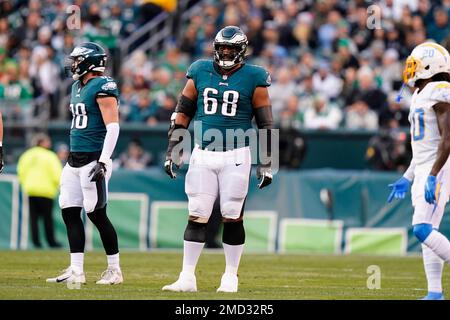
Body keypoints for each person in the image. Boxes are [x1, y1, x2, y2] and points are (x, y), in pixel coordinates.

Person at [162, 26, 274, 293]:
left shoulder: (254, 76)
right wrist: (173, 149)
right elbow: (183, 112)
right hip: (202, 152)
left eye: (230, 49)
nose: (225, 52)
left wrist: (268, 162)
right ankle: (187, 277)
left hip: (236, 155)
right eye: (222, 47)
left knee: (232, 216)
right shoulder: (199, 70)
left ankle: (230, 277)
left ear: (241, 50)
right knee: (196, 214)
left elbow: (266, 123)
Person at [46, 42, 123, 285]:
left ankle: (115, 270)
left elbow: (113, 126)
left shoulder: (103, 85)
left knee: (97, 214)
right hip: (74, 158)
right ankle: (76, 269)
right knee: (69, 210)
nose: (73, 65)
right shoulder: (77, 87)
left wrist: (104, 160)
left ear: (90, 62)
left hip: (93, 158)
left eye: (77, 60)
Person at [387, 42, 450, 300]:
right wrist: (407, 177)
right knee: (428, 231)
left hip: (439, 167)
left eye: (413, 64)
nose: (409, 69)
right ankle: (434, 292)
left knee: (421, 228)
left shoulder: (440, 89)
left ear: (428, 65)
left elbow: (448, 139)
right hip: (425, 167)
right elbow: (423, 149)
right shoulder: (419, 94)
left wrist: (434, 174)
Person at [17, 133, 62, 248]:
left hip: (31, 190)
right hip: (47, 191)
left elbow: (20, 171)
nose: (49, 143)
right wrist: (60, 186)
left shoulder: (27, 155)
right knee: (48, 218)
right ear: (42, 143)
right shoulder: (50, 156)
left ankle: (36, 242)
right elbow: (57, 174)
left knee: (34, 219)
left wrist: (25, 184)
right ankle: (51, 241)